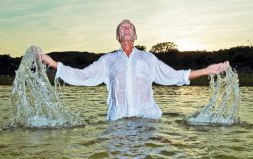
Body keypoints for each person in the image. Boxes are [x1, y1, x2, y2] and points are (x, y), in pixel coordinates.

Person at [42, 20, 229, 121]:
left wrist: (206, 70)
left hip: (147, 120)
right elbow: (83, 76)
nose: (126, 27)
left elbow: (174, 76)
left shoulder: (148, 58)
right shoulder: (107, 60)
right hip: (118, 121)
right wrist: (52, 63)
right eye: (122, 27)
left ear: (136, 35)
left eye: (130, 26)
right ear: (118, 36)